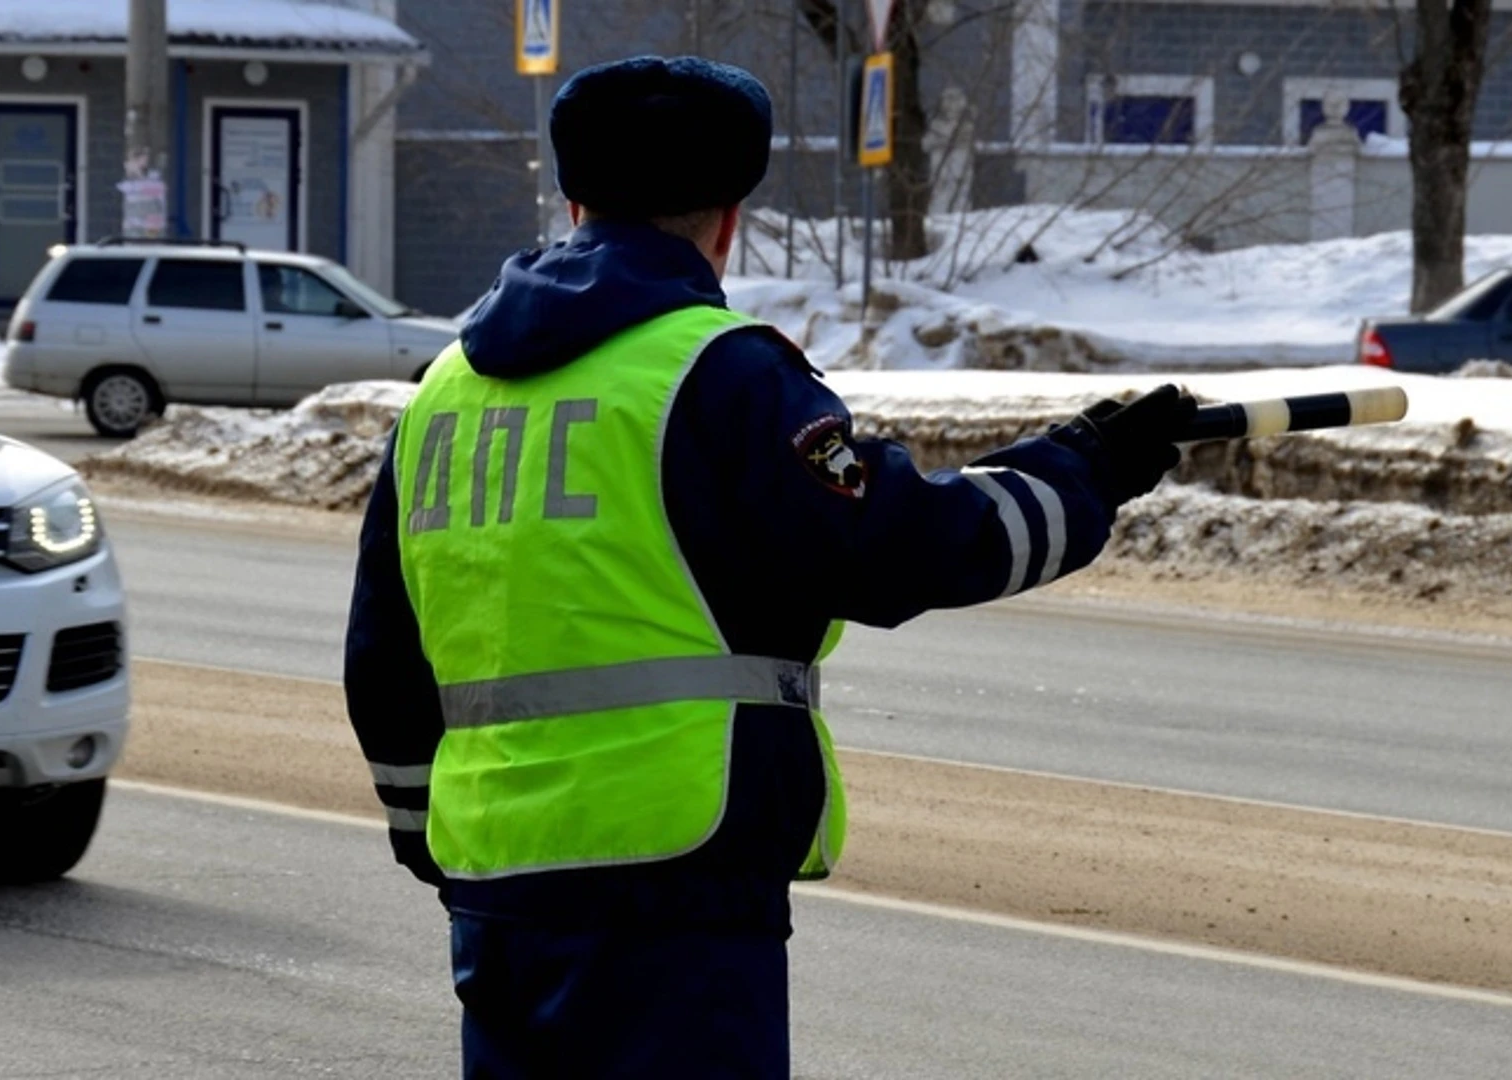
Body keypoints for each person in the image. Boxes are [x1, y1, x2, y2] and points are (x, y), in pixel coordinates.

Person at [343, 55, 1194, 1079]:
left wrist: (417, 820)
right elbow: (896, 548)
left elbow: (384, 651)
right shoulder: (719, 370)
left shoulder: (444, 392)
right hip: (675, 871)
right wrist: (1081, 475)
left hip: (496, 878)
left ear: (574, 200)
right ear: (728, 218)